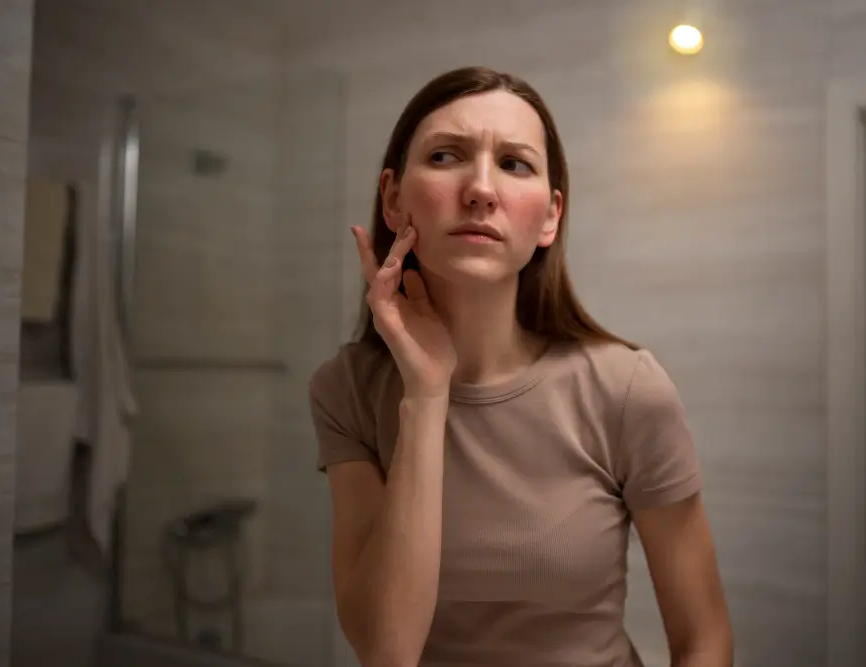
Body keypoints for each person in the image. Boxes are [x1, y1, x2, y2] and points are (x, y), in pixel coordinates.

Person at [308, 66, 732, 667]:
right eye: (448, 155)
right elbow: (385, 652)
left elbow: (706, 638)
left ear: (550, 216)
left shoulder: (627, 389)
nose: (481, 189)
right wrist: (426, 395)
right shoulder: (347, 389)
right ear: (393, 196)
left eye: (514, 164)